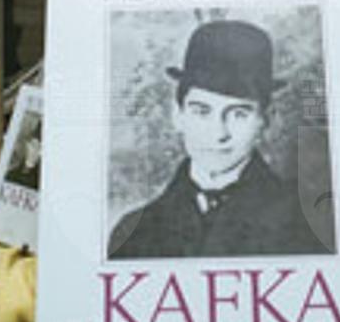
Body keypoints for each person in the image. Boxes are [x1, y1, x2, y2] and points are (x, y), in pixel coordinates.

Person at [108, 19, 328, 259]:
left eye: (238, 114)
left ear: (267, 119)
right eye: (202, 112)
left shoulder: (306, 225)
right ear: (177, 115)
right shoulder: (135, 232)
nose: (218, 133)